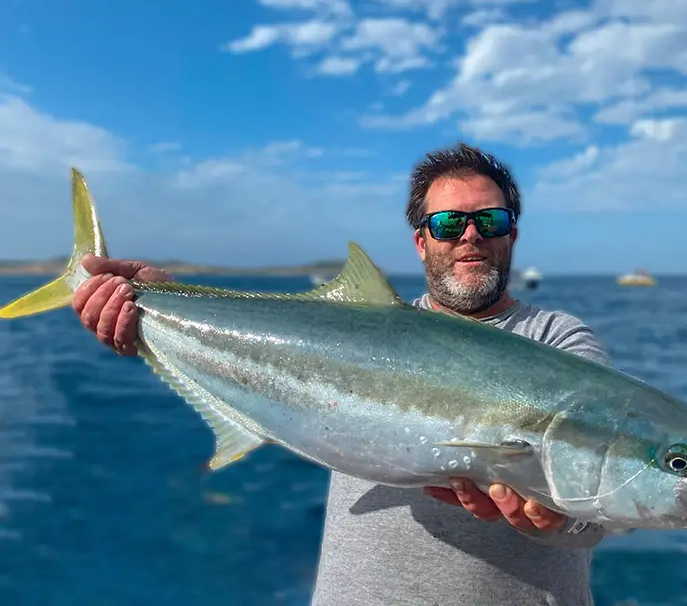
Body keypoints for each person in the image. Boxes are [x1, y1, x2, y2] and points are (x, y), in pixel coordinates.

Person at [72, 142, 611, 606]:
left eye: (488, 219)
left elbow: (600, 508)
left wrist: (559, 519)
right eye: (448, 223)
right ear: (422, 241)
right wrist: (161, 304)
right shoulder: (354, 327)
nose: (469, 235)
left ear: (512, 234)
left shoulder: (559, 343)